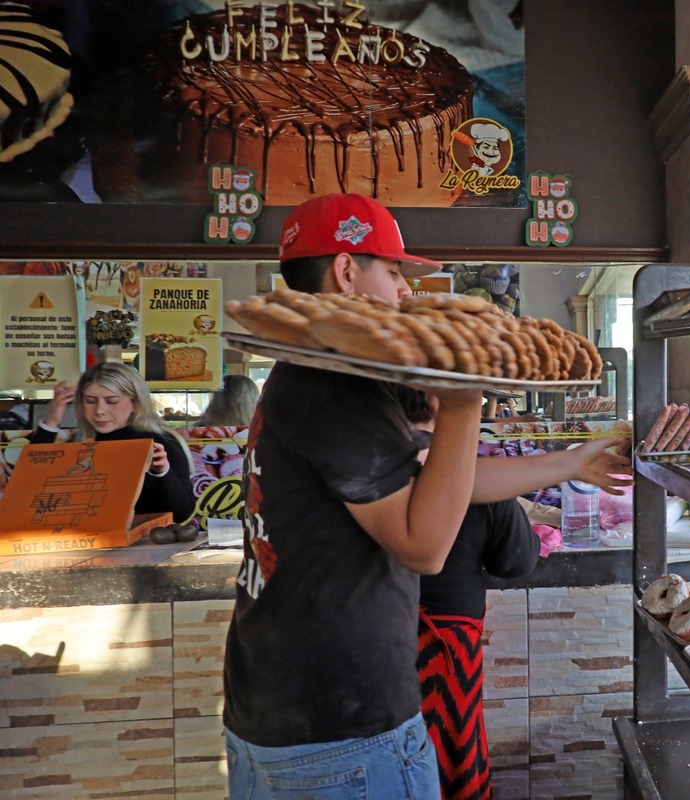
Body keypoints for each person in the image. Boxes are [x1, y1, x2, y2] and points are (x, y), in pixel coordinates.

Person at [222, 192, 631, 800]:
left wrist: (572, 461)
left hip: (283, 705)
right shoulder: (334, 384)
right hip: (339, 725)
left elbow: (437, 480)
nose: (405, 291)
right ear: (346, 270)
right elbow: (424, 545)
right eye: (392, 273)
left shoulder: (313, 376)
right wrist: (465, 397)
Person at [399, 388, 539, 800]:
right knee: (453, 752)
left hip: (377, 637)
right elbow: (516, 560)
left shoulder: (366, 466)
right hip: (447, 639)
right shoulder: (467, 472)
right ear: (442, 399)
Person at [30, 363, 196, 523]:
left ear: (135, 403)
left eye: (111, 401)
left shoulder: (161, 443)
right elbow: (29, 487)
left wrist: (163, 473)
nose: (99, 411)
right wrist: (50, 422)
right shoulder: (77, 445)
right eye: (90, 401)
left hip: (148, 545)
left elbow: (182, 513)